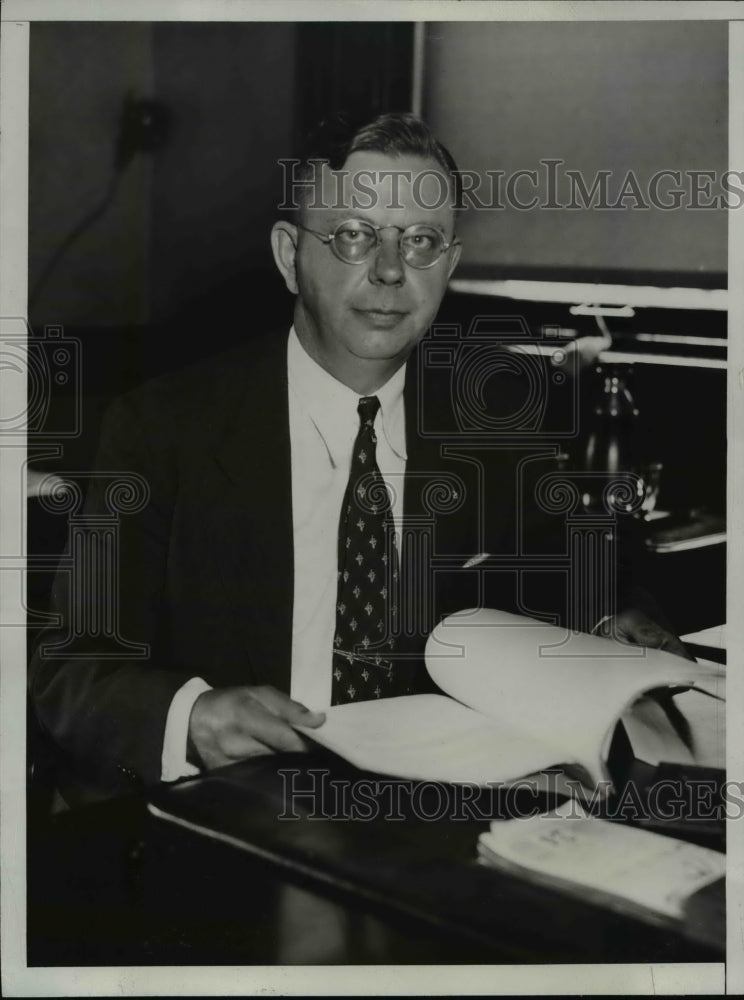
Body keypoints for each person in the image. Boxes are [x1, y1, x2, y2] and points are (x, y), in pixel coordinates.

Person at [29, 112, 687, 805]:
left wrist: (614, 616)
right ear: (290, 256)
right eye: (353, 236)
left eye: (422, 241)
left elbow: (578, 574)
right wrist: (192, 716)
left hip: (434, 817)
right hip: (231, 814)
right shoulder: (161, 429)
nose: (391, 270)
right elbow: (74, 666)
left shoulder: (492, 426)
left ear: (450, 266)